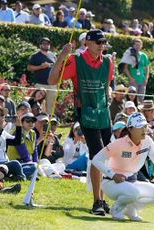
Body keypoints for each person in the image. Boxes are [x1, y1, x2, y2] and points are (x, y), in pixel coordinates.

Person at [48, 29, 113, 216]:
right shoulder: (76, 60)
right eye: (98, 42)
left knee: (106, 156)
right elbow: (52, 79)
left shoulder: (108, 62)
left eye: (103, 43)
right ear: (87, 43)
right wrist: (62, 55)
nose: (102, 46)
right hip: (86, 113)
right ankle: (97, 202)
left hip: (103, 114)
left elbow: (106, 85)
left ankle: (103, 198)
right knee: (97, 155)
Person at [92, 112, 154, 221]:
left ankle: (130, 209)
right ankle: (116, 209)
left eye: (145, 126)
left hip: (132, 182)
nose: (143, 130)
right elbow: (96, 160)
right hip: (111, 183)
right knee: (134, 192)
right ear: (130, 129)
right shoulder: (119, 143)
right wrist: (113, 175)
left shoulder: (148, 141)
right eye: (139, 127)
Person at [27, 37, 57, 114]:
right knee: (36, 104)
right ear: (40, 45)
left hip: (52, 85)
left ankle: (49, 123)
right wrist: (41, 66)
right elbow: (29, 67)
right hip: (40, 84)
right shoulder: (35, 56)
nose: (46, 45)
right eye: (44, 43)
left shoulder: (53, 55)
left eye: (47, 43)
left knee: (51, 106)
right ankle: (34, 122)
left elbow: (57, 67)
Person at [7, 112, 37, 179]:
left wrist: (36, 162)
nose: (31, 123)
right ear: (22, 122)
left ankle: (32, 174)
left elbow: (35, 150)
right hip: (17, 163)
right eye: (28, 121)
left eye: (33, 121)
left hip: (27, 162)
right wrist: (34, 164)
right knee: (34, 166)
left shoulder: (33, 133)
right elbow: (24, 154)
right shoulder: (17, 133)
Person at [122, 38, 150, 103]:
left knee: (141, 99)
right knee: (131, 99)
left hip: (142, 80)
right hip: (133, 81)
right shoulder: (129, 54)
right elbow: (125, 68)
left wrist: (146, 79)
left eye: (139, 45)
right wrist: (131, 78)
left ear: (141, 46)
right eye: (136, 45)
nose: (138, 46)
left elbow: (147, 68)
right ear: (133, 45)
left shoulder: (143, 55)